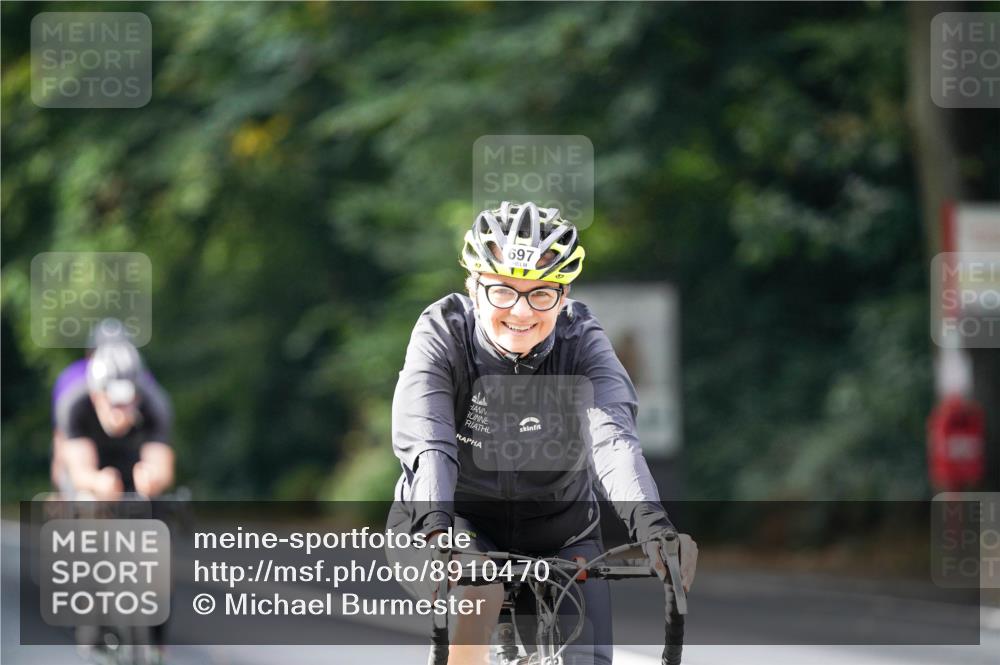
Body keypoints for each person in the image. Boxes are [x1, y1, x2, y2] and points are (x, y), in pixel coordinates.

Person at [388, 202, 697, 665]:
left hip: (562, 534)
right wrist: (437, 532)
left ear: (563, 294)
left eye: (541, 294)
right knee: (481, 593)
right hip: (455, 524)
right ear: (475, 289)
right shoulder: (442, 333)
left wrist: (653, 528)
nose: (521, 310)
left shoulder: (581, 342)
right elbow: (430, 442)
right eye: (503, 291)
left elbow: (612, 442)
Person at [51, 319, 175, 500]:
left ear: (137, 396)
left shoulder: (154, 401)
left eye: (125, 401)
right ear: (96, 396)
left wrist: (151, 478)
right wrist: (95, 482)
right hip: (87, 456)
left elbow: (161, 464)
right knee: (86, 499)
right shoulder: (73, 401)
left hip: (130, 460)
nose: (118, 413)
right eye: (111, 402)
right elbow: (73, 462)